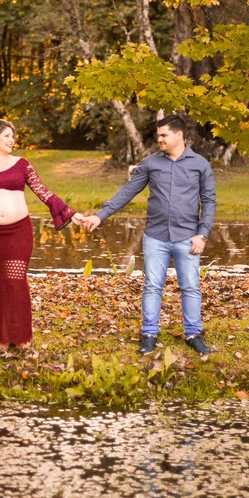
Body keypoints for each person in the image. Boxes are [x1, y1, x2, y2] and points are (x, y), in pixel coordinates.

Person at [80, 116, 217, 355]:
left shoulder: (200, 164)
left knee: (191, 287)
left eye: (164, 135)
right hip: (156, 237)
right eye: (158, 135)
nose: (159, 139)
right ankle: (149, 334)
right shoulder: (151, 163)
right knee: (152, 286)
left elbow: (209, 201)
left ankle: (193, 333)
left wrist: (202, 235)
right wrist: (99, 216)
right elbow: (128, 191)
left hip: (188, 237)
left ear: (179, 135)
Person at [0, 120, 85, 349]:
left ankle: (18, 336)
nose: (12, 141)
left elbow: (43, 191)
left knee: (16, 281)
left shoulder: (22, 164)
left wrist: (70, 213)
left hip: (18, 231)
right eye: (7, 136)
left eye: (13, 137)